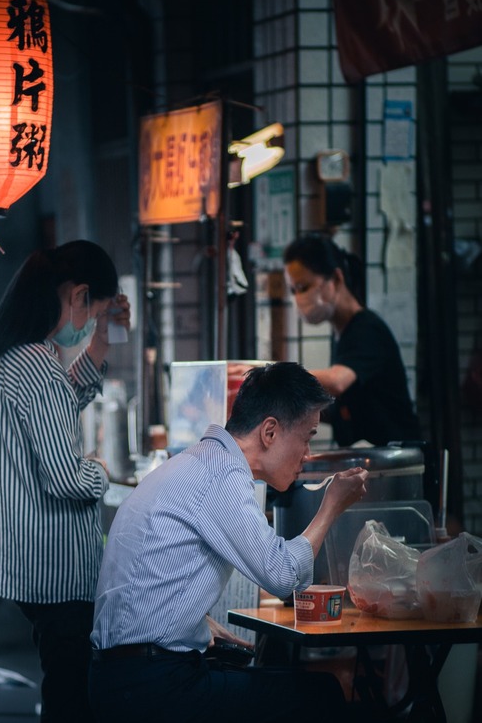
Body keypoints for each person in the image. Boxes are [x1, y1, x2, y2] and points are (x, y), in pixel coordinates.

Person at [89, 362, 368, 723]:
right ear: (270, 431)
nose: (308, 454)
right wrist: (330, 507)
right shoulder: (221, 474)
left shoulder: (199, 462)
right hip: (149, 686)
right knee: (321, 694)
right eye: (307, 437)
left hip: (123, 676)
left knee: (277, 678)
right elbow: (282, 575)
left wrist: (195, 624)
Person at [0, 239, 130, 723]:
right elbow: (66, 478)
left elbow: (50, 408)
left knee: (59, 681)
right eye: (94, 312)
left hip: (15, 556)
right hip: (56, 567)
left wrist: (102, 339)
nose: (88, 325)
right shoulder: (37, 364)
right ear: (78, 295)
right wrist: (101, 471)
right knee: (69, 693)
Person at [283, 233, 422, 447]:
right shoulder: (342, 335)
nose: (298, 298)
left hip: (399, 464)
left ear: (336, 279)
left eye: (303, 288)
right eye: (293, 291)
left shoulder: (367, 329)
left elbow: (337, 381)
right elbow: (343, 407)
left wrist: (275, 377)